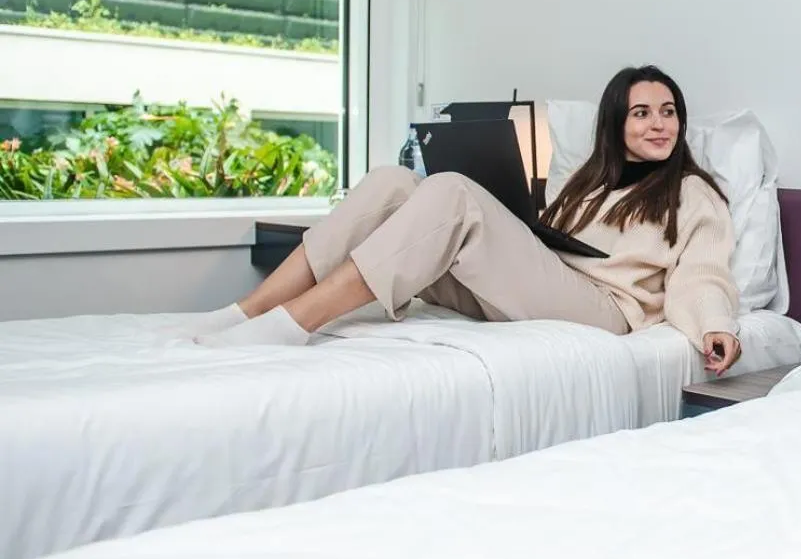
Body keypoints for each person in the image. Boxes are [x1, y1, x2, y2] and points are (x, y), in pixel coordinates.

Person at [189, 65, 744, 374]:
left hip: (603, 307)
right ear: (615, 125)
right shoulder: (588, 182)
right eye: (642, 113)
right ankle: (249, 311)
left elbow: (703, 273)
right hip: (544, 280)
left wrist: (716, 325)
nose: (658, 124)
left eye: (668, 112)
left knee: (453, 193)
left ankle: (294, 323)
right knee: (393, 183)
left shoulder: (693, 193)